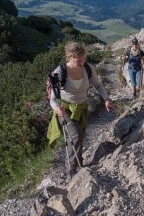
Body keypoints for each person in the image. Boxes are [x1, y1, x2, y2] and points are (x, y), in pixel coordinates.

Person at [47, 41, 115, 177]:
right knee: (76, 135)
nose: (82, 62)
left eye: (84, 59)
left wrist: (106, 99)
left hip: (82, 108)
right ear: (69, 58)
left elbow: (98, 85)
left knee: (79, 136)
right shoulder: (60, 72)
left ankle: (78, 163)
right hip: (65, 109)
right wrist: (56, 109)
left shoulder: (88, 68)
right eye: (79, 60)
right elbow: (52, 99)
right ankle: (71, 169)